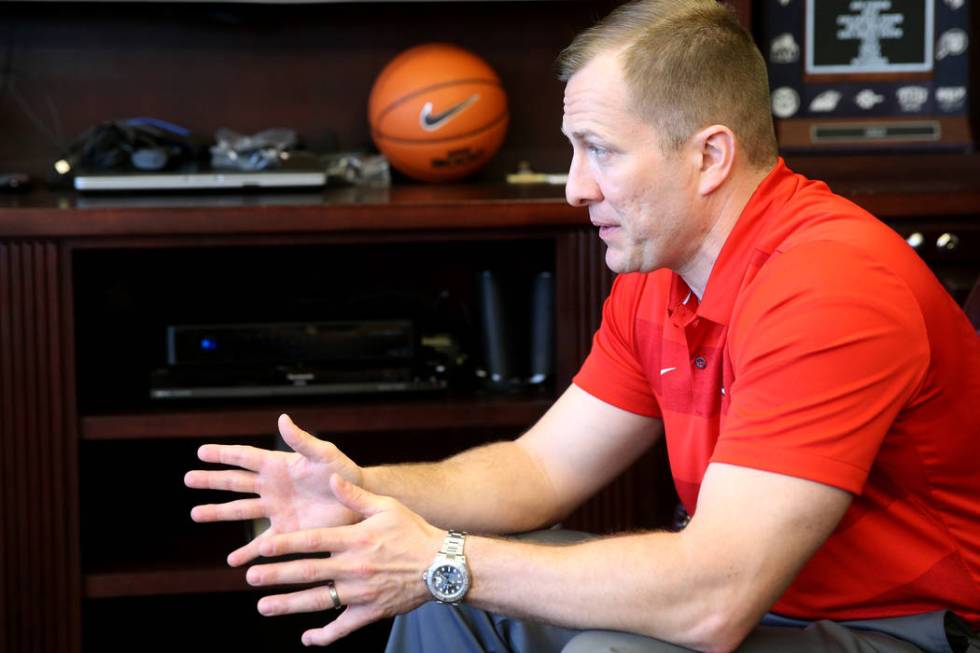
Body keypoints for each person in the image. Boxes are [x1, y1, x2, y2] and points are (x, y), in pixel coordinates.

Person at [184, 1, 980, 651]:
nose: (573, 188)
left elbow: (713, 598)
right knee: (441, 603)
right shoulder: (659, 275)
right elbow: (537, 471)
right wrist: (361, 490)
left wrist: (442, 556)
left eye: (598, 150)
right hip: (773, 607)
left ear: (709, 156)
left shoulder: (829, 283)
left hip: (906, 627)